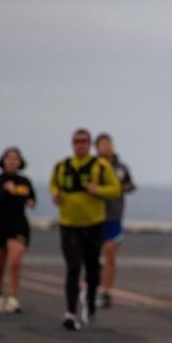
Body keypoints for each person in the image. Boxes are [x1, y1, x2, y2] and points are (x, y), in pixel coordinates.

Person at [49, 128, 121, 330]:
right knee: (72, 267)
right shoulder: (61, 166)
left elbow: (115, 189)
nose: (80, 145)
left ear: (89, 144)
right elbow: (53, 184)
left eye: (84, 141)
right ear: (72, 144)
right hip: (69, 224)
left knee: (91, 269)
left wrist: (97, 190)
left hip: (93, 224)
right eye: (76, 141)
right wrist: (55, 194)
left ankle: (90, 304)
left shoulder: (101, 166)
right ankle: (70, 311)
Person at [0, 147, 37, 314]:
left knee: (15, 262)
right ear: (3, 161)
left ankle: (12, 296)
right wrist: (4, 191)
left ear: (20, 162)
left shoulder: (25, 182)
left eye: (16, 158)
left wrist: (31, 202)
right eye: (9, 158)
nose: (12, 161)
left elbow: (32, 199)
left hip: (18, 224)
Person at [95, 132, 136, 309]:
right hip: (94, 216)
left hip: (114, 216)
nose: (107, 147)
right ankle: (93, 284)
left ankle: (106, 292)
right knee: (92, 256)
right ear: (96, 148)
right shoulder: (93, 166)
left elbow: (131, 184)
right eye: (102, 144)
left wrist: (126, 187)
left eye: (108, 144)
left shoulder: (121, 167)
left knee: (110, 253)